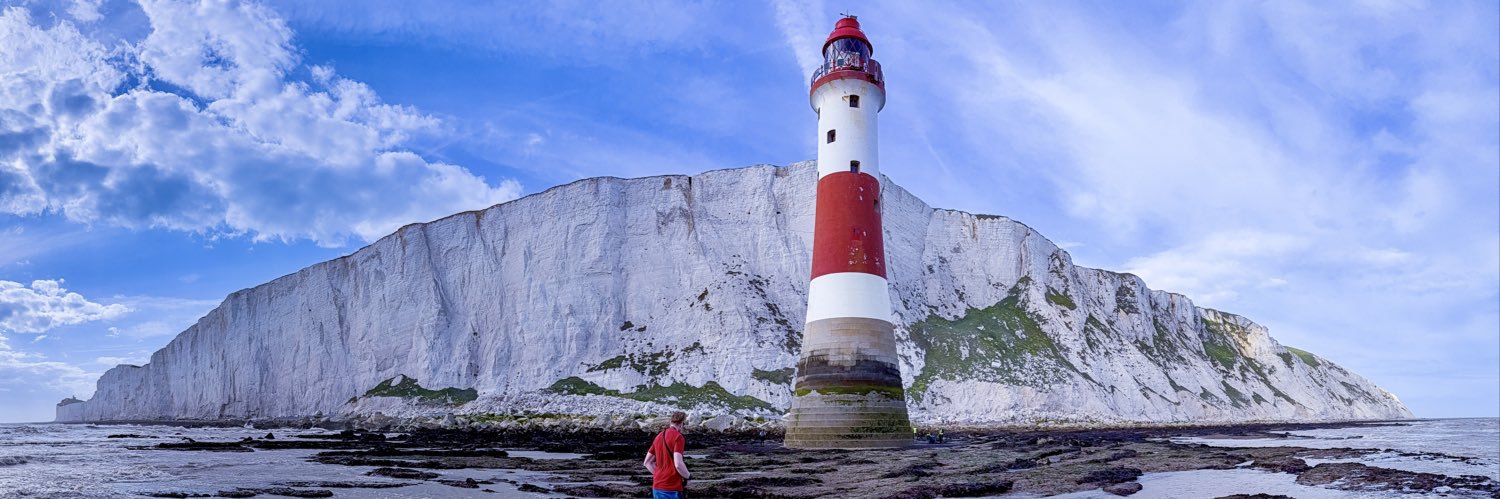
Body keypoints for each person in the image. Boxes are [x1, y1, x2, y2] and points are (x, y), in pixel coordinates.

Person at [644, 411, 691, 498]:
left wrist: (659, 475)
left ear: (671, 422)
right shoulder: (678, 437)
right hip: (672, 488)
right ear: (681, 423)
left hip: (657, 487)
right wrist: (688, 476)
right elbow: (678, 464)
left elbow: (647, 462)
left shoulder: (659, 436)